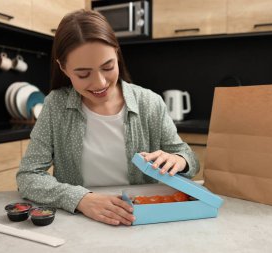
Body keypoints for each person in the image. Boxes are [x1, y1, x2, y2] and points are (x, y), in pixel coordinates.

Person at [16, 9, 199, 226]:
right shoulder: (55, 105)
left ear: (117, 54)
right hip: (80, 220)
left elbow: (190, 159)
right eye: (83, 74)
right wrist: (81, 199)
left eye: (108, 67)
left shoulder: (150, 103)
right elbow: (28, 176)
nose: (100, 83)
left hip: (142, 219)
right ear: (63, 68)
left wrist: (179, 161)